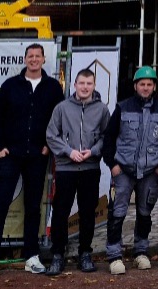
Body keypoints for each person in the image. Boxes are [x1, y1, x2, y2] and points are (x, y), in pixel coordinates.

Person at [0, 43, 64, 280]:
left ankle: (31, 256)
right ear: (25, 59)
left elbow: (58, 120)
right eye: (30, 56)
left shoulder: (53, 87)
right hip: (10, 155)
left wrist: (48, 146)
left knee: (33, 208)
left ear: (43, 59)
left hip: (37, 157)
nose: (34, 59)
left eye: (38, 56)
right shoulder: (10, 85)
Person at [44, 66, 110, 276]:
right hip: (66, 168)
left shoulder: (102, 110)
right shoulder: (62, 108)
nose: (85, 87)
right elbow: (51, 135)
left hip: (90, 168)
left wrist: (93, 151)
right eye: (81, 83)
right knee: (60, 212)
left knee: (88, 212)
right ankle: (58, 254)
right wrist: (69, 151)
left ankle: (85, 253)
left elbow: (107, 136)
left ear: (94, 85)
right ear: (75, 85)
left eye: (89, 83)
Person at [101, 65, 158, 275]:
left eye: (149, 84)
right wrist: (113, 165)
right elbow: (109, 137)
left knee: (145, 213)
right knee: (118, 212)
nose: (145, 87)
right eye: (142, 84)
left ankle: (141, 252)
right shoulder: (123, 107)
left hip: (150, 171)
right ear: (135, 86)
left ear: (154, 86)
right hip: (124, 170)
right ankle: (114, 255)